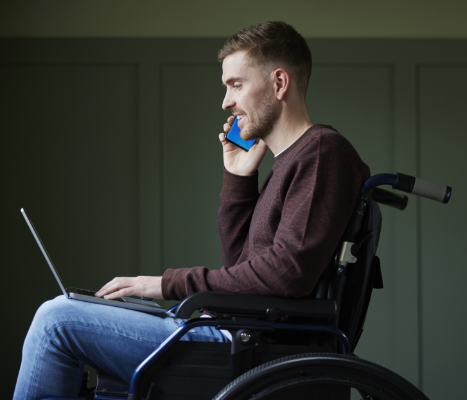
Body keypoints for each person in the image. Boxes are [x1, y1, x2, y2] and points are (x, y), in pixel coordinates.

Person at [13, 21, 370, 400]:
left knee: (57, 321)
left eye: (236, 84)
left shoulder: (320, 153)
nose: (226, 102)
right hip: (234, 333)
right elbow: (242, 268)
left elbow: (286, 275)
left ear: (279, 84)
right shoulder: (290, 162)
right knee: (66, 310)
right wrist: (237, 179)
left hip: (250, 347)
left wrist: (165, 284)